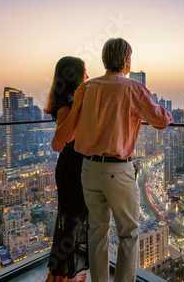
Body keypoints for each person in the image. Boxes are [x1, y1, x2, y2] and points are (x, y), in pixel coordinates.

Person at [73, 38, 173, 282]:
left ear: (105, 60)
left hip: (87, 168)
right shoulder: (131, 88)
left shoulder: (87, 87)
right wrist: (169, 114)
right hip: (117, 171)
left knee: (97, 231)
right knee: (129, 233)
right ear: (127, 61)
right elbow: (160, 120)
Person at [44, 56, 90, 282]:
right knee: (69, 224)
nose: (88, 76)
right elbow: (61, 139)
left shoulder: (68, 100)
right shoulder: (66, 102)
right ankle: (61, 276)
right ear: (75, 75)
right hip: (72, 169)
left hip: (74, 168)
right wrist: (78, 103)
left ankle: (59, 275)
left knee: (70, 223)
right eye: (85, 72)